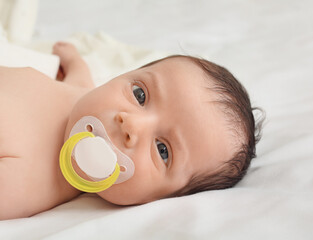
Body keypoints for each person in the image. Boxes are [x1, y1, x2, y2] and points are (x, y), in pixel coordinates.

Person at [0, 42, 263, 220]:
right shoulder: (84, 96)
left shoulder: (32, 182)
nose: (132, 125)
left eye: (163, 150)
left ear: (158, 200)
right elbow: (81, 79)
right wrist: (75, 61)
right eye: (139, 94)